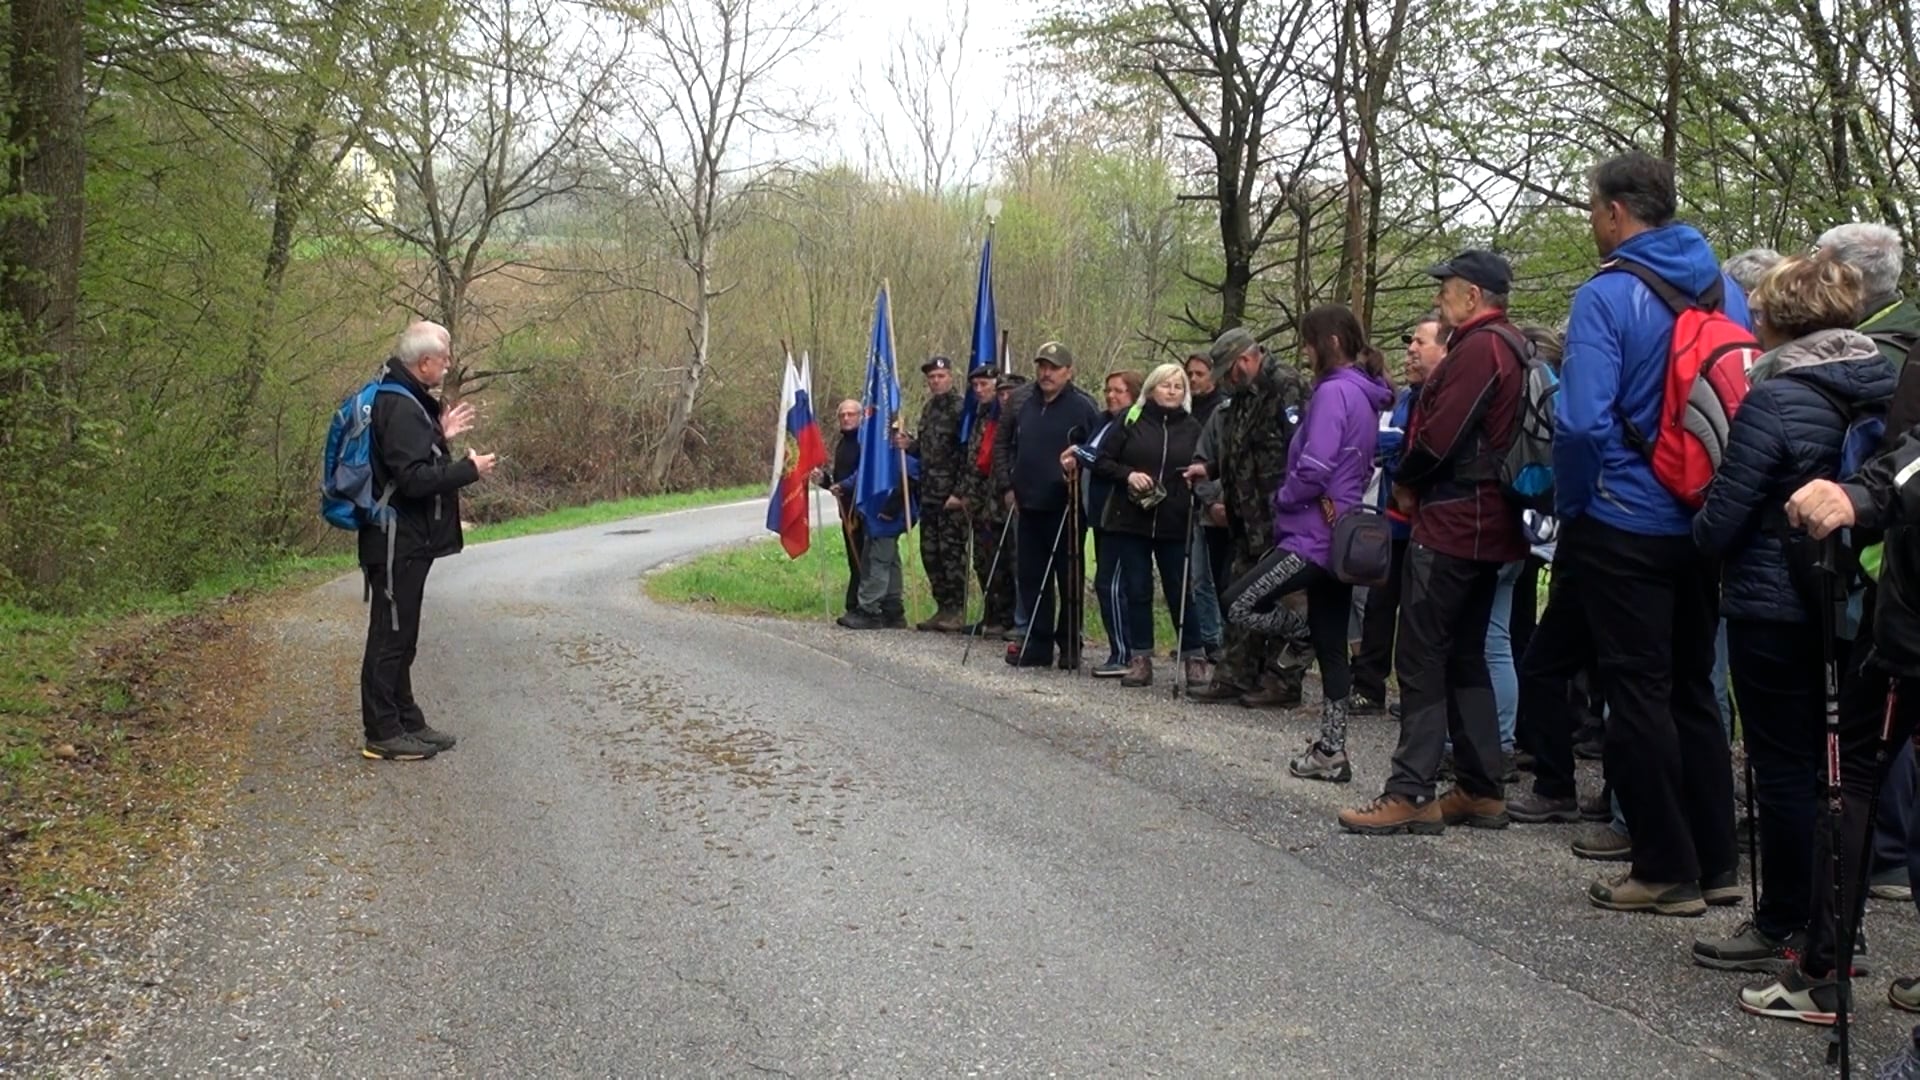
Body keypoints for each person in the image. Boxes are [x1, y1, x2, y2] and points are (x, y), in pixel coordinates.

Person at [1548, 150, 1746, 914]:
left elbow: (1581, 423)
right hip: (1702, 516)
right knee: (1696, 688)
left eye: (1593, 207)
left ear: (1614, 213)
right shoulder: (1723, 286)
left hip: (1623, 517)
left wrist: (1574, 507)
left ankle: (1665, 868)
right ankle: (1719, 861)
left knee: (1636, 692)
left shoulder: (1608, 295)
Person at [1687, 253, 1894, 976]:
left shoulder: (1773, 398)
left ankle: (1782, 920)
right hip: (1854, 606)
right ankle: (1839, 926)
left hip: (1772, 606)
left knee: (1783, 769)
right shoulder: (1885, 382)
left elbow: (1719, 524)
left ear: (1773, 319)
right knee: (1843, 774)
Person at [1339, 252, 1526, 834]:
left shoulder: (1480, 348)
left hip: (1454, 522)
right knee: (1466, 652)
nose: (1440, 299)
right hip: (1487, 523)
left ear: (1472, 295)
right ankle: (1479, 786)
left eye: (1446, 289)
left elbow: (1441, 436)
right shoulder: (1513, 346)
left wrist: (1409, 484)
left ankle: (1411, 790)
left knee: (1420, 654)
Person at [1756, 423, 1920, 1034]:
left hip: (1906, 635)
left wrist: (1859, 494)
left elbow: (1909, 466)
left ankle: (1825, 970)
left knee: (1851, 779)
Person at [1220, 305, 1391, 780]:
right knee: (1334, 646)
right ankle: (1332, 751)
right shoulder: (1364, 394)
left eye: (1309, 342)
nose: (1305, 351)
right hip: (1342, 534)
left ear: (1330, 342)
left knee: (1238, 601)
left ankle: (1302, 637)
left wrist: (1284, 495)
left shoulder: (1335, 392)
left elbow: (1315, 465)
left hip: (1313, 536)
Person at [1816, 223, 1920, 906]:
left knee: (1862, 749)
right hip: (1891, 566)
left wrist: (1858, 498)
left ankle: (1829, 955)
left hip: (1886, 571)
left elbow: (1904, 458)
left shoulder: (1875, 351)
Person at [358, 321, 495, 761]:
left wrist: (440, 435)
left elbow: (408, 460)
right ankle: (382, 732)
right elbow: (413, 481)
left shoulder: (406, 399)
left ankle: (405, 720)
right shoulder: (397, 405)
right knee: (390, 635)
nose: (449, 364)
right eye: (445, 358)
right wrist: (469, 470)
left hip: (406, 539)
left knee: (403, 632)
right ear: (424, 363)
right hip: (395, 539)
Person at [1185, 328, 1309, 707]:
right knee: (1240, 597)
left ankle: (1282, 681)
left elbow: (1301, 451)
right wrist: (1209, 470)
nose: (1224, 379)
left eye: (1227, 370)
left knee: (1287, 603)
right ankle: (1236, 674)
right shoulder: (1239, 398)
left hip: (1282, 521)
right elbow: (1237, 451)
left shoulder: (1286, 387)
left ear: (1245, 360)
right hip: (1245, 519)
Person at [1352, 314, 1445, 716]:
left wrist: (1392, 446)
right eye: (1409, 345)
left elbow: (1410, 450)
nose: (1409, 351)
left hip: (1427, 525)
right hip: (1390, 521)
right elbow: (1379, 444)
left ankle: (1413, 698)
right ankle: (1369, 687)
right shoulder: (1405, 396)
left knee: (1415, 615)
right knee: (1377, 606)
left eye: (1419, 343)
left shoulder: (1444, 396)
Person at [1094, 363, 1203, 687]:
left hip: (1175, 519)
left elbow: (1209, 465)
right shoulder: (1131, 420)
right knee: (1137, 589)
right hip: (1132, 518)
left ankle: (1194, 657)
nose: (1171, 391)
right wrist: (1128, 474)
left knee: (1180, 590)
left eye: (1178, 386)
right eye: (1166, 385)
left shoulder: (1194, 427)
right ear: (1152, 388)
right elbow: (1101, 460)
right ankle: (1140, 658)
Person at [1001, 342, 1102, 668]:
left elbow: (1098, 451)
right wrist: (1010, 485)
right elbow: (1011, 444)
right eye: (1042, 366)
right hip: (1028, 504)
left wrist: (1078, 470)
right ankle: (1038, 642)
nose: (1046, 373)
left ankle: (1070, 643)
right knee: (1031, 578)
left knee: (1068, 577)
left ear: (1068, 371)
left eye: (1053, 367)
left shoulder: (1083, 407)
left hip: (1066, 507)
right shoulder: (1025, 403)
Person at [1068, 370, 1143, 676]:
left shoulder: (1133, 423)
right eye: (1108, 390)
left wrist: (1078, 452)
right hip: (1097, 513)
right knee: (1109, 582)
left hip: (1120, 515)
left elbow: (1103, 459)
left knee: (1111, 583)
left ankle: (1125, 653)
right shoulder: (1103, 420)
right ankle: (1120, 650)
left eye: (1119, 391)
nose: (1111, 396)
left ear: (1134, 394)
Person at [897, 356, 968, 632]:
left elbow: (965, 453)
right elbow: (929, 451)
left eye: (941, 376)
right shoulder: (928, 409)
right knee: (931, 553)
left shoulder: (961, 409)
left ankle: (957, 609)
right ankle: (943, 607)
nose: (936, 381)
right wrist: (910, 445)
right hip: (929, 494)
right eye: (932, 378)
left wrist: (960, 492)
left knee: (952, 554)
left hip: (950, 496)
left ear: (950, 377)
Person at [958, 366, 1016, 636]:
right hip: (983, 502)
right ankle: (992, 614)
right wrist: (968, 495)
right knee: (985, 561)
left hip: (1005, 504)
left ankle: (1010, 617)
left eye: (985, 385)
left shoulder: (1013, 419)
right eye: (975, 385)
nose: (979, 390)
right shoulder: (982, 415)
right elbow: (974, 461)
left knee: (1007, 563)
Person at [1184, 352, 1231, 679]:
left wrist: (1217, 500)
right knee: (1199, 579)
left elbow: (1226, 463)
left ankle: (1226, 641)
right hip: (1196, 504)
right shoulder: (1186, 411)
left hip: (1225, 509)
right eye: (1189, 373)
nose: (1192, 379)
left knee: (1223, 579)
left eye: (1198, 374)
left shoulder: (1223, 410)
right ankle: (1208, 637)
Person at [839, 453, 921, 631]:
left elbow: (909, 479)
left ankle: (869, 609)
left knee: (878, 561)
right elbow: (863, 473)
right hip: (876, 515)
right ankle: (893, 609)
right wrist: (843, 486)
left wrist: (891, 509)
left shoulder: (900, 455)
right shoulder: (877, 451)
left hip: (888, 516)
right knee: (890, 560)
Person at [818, 398, 865, 617]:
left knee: (866, 558)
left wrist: (844, 485)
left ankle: (867, 604)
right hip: (846, 510)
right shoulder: (842, 443)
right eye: (842, 415)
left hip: (865, 510)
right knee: (853, 559)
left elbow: (865, 472)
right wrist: (825, 481)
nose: (846, 418)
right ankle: (854, 604)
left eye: (851, 414)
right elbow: (839, 479)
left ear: (860, 416)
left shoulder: (864, 441)